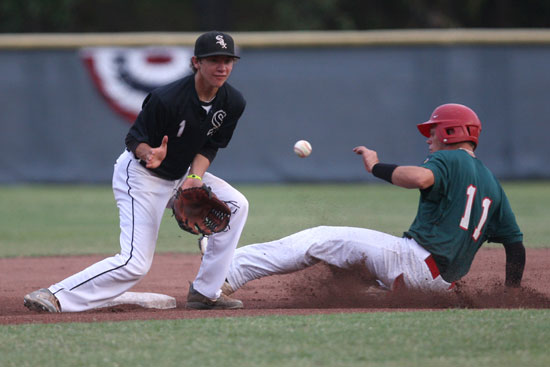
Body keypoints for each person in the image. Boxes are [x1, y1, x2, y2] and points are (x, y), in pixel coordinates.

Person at [24, 31, 248, 312]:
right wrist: (149, 153)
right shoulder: (167, 99)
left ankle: (205, 291)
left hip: (179, 175)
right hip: (142, 176)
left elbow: (211, 145)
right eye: (213, 60)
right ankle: (55, 294)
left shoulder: (233, 102)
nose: (222, 67)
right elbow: (134, 139)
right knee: (134, 263)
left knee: (237, 204)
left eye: (228, 60)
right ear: (196, 62)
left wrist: (194, 178)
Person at [218, 103, 525, 297]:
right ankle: (374, 292)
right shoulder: (493, 185)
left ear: (450, 131)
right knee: (351, 272)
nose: (428, 138)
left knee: (321, 238)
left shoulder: (450, 160)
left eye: (432, 130)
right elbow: (515, 245)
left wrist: (376, 167)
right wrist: (512, 293)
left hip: (415, 260)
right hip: (443, 287)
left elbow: (420, 178)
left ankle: (228, 273)